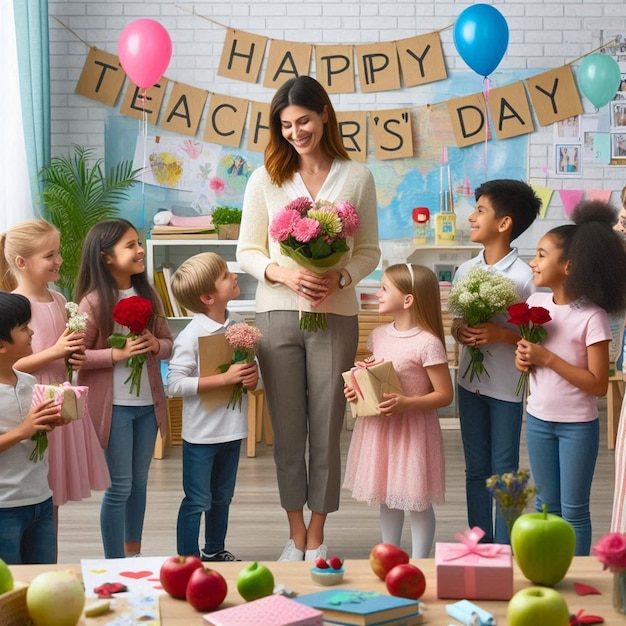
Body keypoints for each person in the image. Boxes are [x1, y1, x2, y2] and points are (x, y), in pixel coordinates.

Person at [236, 75, 380, 562]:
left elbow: (369, 252)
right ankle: (294, 531)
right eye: (286, 125)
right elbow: (248, 251)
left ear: (324, 114)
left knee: (327, 424)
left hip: (336, 314)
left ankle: (318, 531)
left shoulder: (357, 176)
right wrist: (283, 274)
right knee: (288, 428)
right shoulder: (266, 178)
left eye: (304, 121)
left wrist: (339, 278)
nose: (296, 132)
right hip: (276, 312)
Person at [515, 200, 626, 555]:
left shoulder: (592, 317)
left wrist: (546, 357)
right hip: (537, 421)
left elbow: (597, 384)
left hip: (577, 426)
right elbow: (533, 363)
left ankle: (578, 576)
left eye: (541, 254)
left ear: (568, 266)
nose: (533, 262)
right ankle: (548, 570)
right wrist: (525, 361)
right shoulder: (539, 305)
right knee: (546, 508)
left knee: (574, 511)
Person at [0, 219, 110, 555]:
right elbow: (12, 367)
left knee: (53, 493)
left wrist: (72, 358)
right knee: (42, 484)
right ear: (22, 262)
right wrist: (56, 352)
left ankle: (47, 559)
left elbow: (63, 352)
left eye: (57, 253)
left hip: (59, 401)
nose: (59, 260)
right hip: (33, 400)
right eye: (50, 255)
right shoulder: (12, 307)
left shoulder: (60, 299)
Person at [75, 219, 173, 558]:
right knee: (120, 487)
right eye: (130, 245)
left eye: (139, 243)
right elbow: (76, 357)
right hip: (113, 410)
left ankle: (134, 554)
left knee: (140, 484)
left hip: (148, 406)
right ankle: (113, 561)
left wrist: (154, 345)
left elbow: (168, 343)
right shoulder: (92, 302)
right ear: (106, 257)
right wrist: (116, 353)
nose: (140, 250)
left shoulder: (149, 295)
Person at [451, 180, 542, 544]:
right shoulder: (464, 271)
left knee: (505, 473)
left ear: (504, 224)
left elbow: (539, 339)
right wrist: (462, 334)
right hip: (468, 384)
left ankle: (505, 548)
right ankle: (480, 543)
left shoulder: (525, 278)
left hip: (505, 389)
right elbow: (455, 322)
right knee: (475, 470)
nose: (472, 218)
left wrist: (501, 335)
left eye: (480, 211)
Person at [343, 264, 452, 558]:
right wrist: (357, 391)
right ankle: (389, 556)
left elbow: (445, 395)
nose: (377, 293)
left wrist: (408, 404)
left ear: (408, 300)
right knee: (388, 496)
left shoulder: (428, 343)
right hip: (381, 430)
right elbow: (375, 379)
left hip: (413, 430)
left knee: (417, 499)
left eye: (384, 289)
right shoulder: (378, 335)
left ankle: (419, 563)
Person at [168, 252, 259, 561]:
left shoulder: (237, 325)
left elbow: (251, 374)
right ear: (208, 297)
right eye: (224, 275)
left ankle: (215, 550)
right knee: (197, 499)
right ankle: (188, 559)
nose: (232, 275)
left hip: (232, 431)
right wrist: (223, 380)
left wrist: (251, 377)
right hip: (201, 437)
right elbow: (174, 385)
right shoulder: (190, 336)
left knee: (222, 497)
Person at [0, 292, 66, 564]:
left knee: (43, 580)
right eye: (24, 328)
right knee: (9, 590)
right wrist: (23, 431)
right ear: (2, 344)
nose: (32, 332)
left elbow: (31, 432)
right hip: (4, 509)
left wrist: (45, 423)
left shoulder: (29, 383)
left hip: (41, 500)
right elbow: (22, 432)